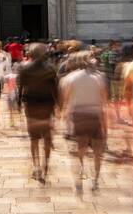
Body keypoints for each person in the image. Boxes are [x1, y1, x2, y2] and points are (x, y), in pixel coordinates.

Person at [60, 52, 108, 194]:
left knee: (80, 148)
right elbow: (104, 101)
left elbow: (66, 101)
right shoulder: (98, 77)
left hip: (78, 115)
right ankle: (96, 180)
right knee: (98, 151)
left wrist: (65, 120)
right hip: (95, 115)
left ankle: (80, 172)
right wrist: (106, 124)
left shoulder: (69, 78)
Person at [17, 43, 60, 183]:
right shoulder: (50, 68)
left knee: (34, 138)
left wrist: (18, 104)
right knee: (47, 136)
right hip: (47, 106)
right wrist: (59, 105)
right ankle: (46, 163)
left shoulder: (24, 68)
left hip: (31, 106)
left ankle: (36, 166)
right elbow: (56, 89)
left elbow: (20, 88)